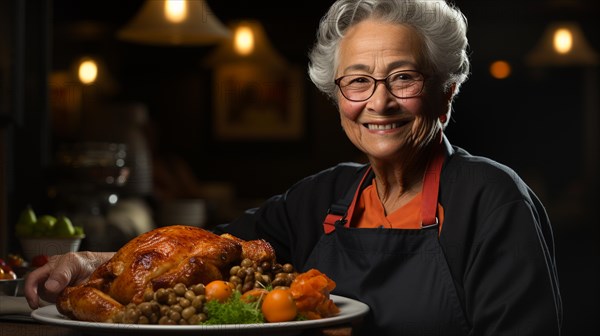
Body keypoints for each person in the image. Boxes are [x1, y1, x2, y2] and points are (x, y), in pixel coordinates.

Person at [25, 0, 562, 334]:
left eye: (404, 78)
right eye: (357, 81)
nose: (379, 102)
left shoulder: (490, 198)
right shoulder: (323, 197)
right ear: (338, 98)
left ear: (444, 95)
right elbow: (206, 250)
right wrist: (90, 263)